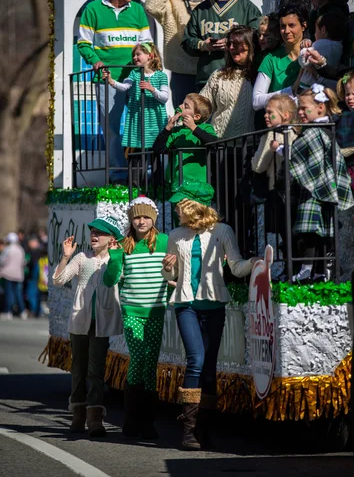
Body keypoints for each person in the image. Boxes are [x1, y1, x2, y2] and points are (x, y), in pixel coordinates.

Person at [162, 180, 258, 450]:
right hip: (186, 304)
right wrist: (167, 268)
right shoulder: (175, 235)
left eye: (180, 204)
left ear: (193, 206)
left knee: (209, 367)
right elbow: (172, 275)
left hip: (214, 304)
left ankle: (205, 428)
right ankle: (189, 431)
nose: (176, 209)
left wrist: (256, 263)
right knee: (196, 359)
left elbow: (236, 267)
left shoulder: (222, 231)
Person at [77, 0, 152, 184]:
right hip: (107, 79)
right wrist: (95, 61)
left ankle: (141, 173)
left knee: (142, 124)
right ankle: (118, 174)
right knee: (111, 126)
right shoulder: (93, 9)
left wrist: (144, 61)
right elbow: (83, 43)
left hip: (137, 78)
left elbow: (147, 43)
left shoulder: (137, 9)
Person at [103, 197, 168, 439]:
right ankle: (131, 420)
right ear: (131, 220)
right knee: (138, 356)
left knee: (150, 363)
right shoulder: (122, 245)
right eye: (137, 217)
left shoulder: (165, 242)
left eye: (146, 217)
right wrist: (115, 258)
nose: (141, 221)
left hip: (156, 310)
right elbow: (109, 280)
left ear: (154, 219)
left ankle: (147, 423)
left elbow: (174, 273)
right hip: (132, 310)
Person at [53, 216, 124, 437]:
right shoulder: (82, 258)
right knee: (78, 370)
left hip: (102, 323)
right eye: (92, 232)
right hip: (80, 320)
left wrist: (115, 256)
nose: (94, 235)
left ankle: (95, 418)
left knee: (96, 370)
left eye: (99, 233)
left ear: (111, 239)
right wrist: (65, 257)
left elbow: (112, 279)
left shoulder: (117, 259)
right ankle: (78, 415)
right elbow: (58, 280)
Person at [291, 85, 354, 283]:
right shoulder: (318, 130)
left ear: (320, 108)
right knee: (316, 230)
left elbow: (314, 159)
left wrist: (283, 149)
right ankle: (315, 269)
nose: (300, 112)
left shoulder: (318, 131)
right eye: (298, 109)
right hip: (321, 188)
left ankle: (315, 268)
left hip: (318, 188)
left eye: (304, 108)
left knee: (316, 230)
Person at [182, 0, 261, 89]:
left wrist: (234, 42)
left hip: (239, 79)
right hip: (206, 80)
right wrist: (203, 45)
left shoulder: (246, 7)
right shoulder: (200, 10)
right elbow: (187, 41)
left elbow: (258, 37)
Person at [145, 0, 207, 108]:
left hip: (208, 71)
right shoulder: (173, 2)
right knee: (182, 118)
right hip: (182, 74)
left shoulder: (212, 3)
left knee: (207, 120)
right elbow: (151, 6)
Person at [251, 94, 300, 269]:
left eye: (270, 112)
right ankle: (293, 268)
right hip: (293, 190)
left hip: (279, 191)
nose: (265, 115)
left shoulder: (274, 135)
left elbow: (258, 165)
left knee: (285, 232)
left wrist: (270, 146)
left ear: (285, 115)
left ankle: (289, 268)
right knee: (290, 232)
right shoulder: (296, 132)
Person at [102, 43, 168, 149]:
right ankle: (137, 165)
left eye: (138, 54)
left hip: (154, 117)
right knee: (138, 147)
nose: (134, 57)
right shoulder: (134, 73)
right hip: (137, 116)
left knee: (155, 148)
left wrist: (152, 89)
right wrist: (110, 81)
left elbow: (164, 97)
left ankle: (155, 165)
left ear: (150, 56)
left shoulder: (161, 76)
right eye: (133, 55)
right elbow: (124, 87)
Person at [199, 26, 258, 139]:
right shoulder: (218, 75)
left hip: (250, 146)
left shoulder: (261, 74)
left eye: (236, 44)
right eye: (229, 44)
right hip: (219, 144)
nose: (231, 48)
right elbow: (201, 106)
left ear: (249, 46)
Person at [152, 93, 217, 194]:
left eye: (186, 106)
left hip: (197, 183)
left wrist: (193, 127)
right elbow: (158, 149)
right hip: (177, 183)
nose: (180, 106)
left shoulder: (205, 128)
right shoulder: (176, 131)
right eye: (182, 103)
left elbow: (214, 143)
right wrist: (168, 128)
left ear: (196, 116)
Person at [252, 4, 309, 111]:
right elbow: (256, 101)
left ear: (303, 26)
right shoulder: (271, 58)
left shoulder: (313, 53)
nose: (286, 31)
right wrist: (290, 91)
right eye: (283, 26)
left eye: (292, 25)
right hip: (280, 123)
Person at [298, 12, 346, 91]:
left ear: (323, 30)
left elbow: (303, 60)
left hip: (309, 87)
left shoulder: (322, 44)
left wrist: (304, 48)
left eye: (316, 30)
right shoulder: (338, 46)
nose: (314, 34)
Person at [0, 233, 26, 320]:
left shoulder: (7, 249)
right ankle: (22, 311)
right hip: (18, 274)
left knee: (8, 293)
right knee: (18, 293)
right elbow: (23, 262)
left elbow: (2, 261)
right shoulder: (21, 249)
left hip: (8, 274)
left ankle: (8, 311)